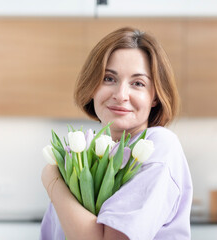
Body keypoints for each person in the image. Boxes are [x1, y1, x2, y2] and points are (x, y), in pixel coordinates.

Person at [40, 27, 193, 240]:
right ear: (93, 85)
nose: (121, 95)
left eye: (138, 83)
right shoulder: (81, 154)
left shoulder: (159, 146)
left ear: (155, 97)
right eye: (109, 78)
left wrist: (53, 182)